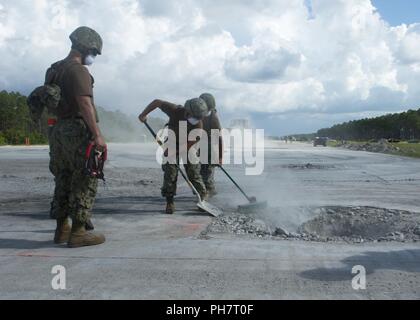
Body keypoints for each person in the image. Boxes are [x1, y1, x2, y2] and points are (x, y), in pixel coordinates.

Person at [48, 26, 106, 248]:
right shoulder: (78, 70)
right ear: (87, 47)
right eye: (94, 52)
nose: (94, 57)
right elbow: (84, 102)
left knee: (62, 177)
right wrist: (97, 135)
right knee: (85, 177)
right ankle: (79, 233)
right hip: (77, 129)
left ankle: (61, 229)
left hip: (58, 130)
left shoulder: (53, 70)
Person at [138, 98, 208, 214]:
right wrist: (143, 114)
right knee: (170, 172)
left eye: (199, 117)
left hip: (187, 145)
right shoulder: (175, 110)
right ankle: (169, 201)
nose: (196, 119)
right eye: (194, 116)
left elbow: (190, 143)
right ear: (187, 111)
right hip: (172, 141)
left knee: (193, 173)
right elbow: (157, 102)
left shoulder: (198, 124)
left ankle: (202, 198)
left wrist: (174, 152)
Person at [199, 93, 223, 197]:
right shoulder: (197, 113)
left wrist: (220, 157)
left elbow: (219, 139)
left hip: (210, 147)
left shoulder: (213, 118)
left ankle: (206, 193)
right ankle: (209, 190)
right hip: (199, 145)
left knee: (207, 172)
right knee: (200, 171)